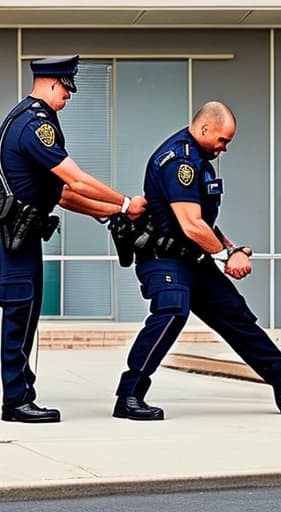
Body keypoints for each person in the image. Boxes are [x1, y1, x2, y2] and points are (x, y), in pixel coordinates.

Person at [113, 101, 281, 420]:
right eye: (222, 140)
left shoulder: (200, 159)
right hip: (164, 259)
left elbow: (204, 221)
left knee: (235, 314)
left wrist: (230, 247)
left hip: (192, 259)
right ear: (204, 128)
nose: (224, 148)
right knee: (173, 312)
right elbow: (190, 224)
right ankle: (129, 395)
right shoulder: (181, 161)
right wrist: (225, 255)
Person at [0, 55, 147, 423]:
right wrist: (125, 202)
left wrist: (109, 212)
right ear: (52, 83)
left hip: (22, 237)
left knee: (24, 315)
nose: (68, 97)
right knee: (18, 316)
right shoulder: (36, 126)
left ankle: (19, 395)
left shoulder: (26, 120)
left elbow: (62, 195)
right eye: (67, 89)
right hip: (13, 241)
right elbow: (76, 180)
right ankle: (16, 401)